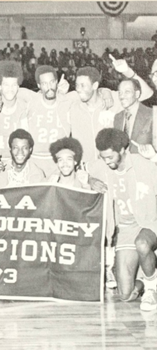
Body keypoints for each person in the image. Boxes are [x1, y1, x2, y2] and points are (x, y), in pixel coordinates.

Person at [87, 128, 157, 311]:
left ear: (123, 150)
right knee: (125, 295)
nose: (106, 161)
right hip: (125, 230)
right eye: (103, 157)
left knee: (142, 244)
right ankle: (146, 276)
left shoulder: (144, 165)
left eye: (110, 157)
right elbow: (82, 172)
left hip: (149, 223)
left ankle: (152, 288)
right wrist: (89, 180)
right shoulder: (102, 165)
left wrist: (156, 158)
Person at [70, 56, 153, 165]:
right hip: (85, 168)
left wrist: (127, 72)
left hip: (111, 167)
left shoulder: (114, 100)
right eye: (76, 85)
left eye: (82, 85)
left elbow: (147, 93)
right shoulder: (73, 104)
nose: (78, 89)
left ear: (95, 85)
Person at [0, 61, 29, 162]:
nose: (10, 89)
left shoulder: (24, 107)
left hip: (15, 161)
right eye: (6, 85)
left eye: (14, 85)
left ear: (18, 86)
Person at [114, 78, 152, 154]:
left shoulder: (152, 115)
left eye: (127, 92)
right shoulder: (117, 117)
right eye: (120, 92)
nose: (122, 96)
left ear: (137, 94)